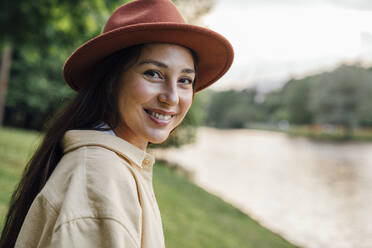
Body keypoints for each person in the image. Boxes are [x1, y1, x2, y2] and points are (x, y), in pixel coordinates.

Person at [0, 0, 233, 247]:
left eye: (185, 80)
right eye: (153, 73)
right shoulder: (101, 180)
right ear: (111, 81)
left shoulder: (115, 166)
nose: (172, 97)